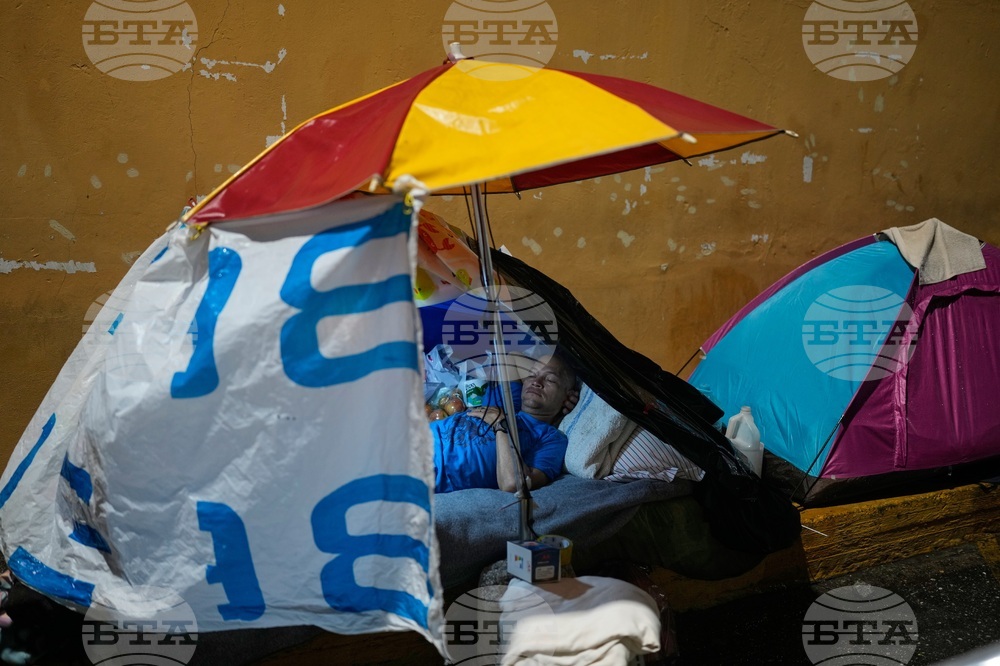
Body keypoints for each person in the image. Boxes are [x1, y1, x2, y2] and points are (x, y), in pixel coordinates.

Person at [431, 353, 578, 494]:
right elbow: (512, 358)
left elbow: (514, 483)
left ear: (568, 395)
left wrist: (502, 425)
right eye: (531, 375)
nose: (536, 382)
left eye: (550, 380)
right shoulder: (508, 402)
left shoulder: (551, 438)